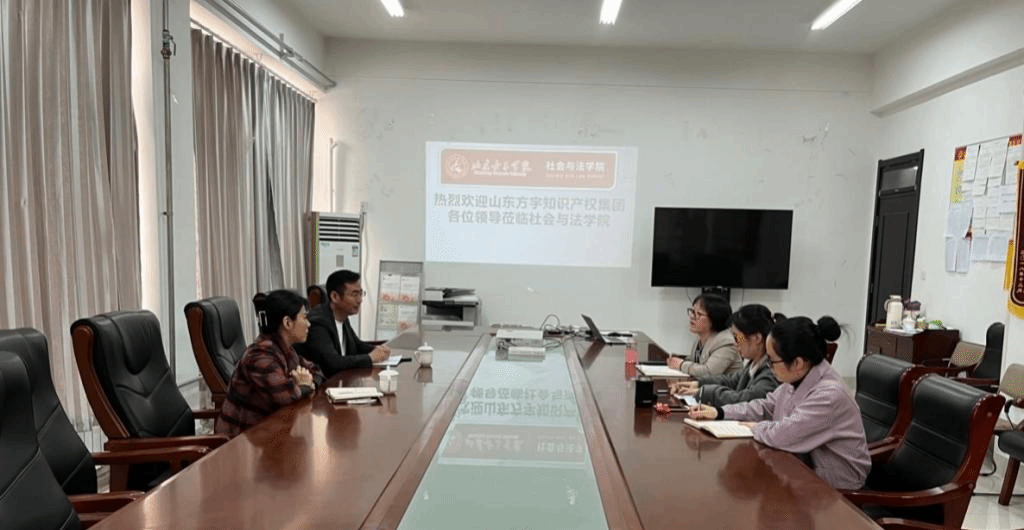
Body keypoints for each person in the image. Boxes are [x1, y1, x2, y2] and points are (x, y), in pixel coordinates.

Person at [688, 316, 869, 490]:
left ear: (797, 363)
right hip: (800, 468)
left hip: (833, 489)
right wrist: (720, 412)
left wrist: (756, 427)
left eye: (772, 361)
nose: (769, 366)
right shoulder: (798, 376)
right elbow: (766, 406)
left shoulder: (828, 395)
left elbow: (784, 435)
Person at [215, 290, 325, 437]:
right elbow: (286, 397)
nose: (309, 324)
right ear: (287, 322)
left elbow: (317, 371)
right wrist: (302, 385)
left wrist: (307, 383)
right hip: (240, 440)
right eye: (304, 318)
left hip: (267, 432)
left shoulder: (286, 349)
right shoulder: (261, 354)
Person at [669, 304, 781, 406]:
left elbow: (743, 400)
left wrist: (704, 392)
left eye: (737, 337)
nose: (735, 342)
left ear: (757, 338)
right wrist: (697, 384)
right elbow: (730, 380)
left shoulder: (771, 372)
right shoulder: (754, 363)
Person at [296, 269, 391, 377]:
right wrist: (370, 358)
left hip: (344, 379)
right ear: (335, 297)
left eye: (360, 293)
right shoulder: (317, 323)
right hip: (326, 383)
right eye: (354, 294)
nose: (359, 300)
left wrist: (379, 350)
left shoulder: (341, 316)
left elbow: (357, 345)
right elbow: (333, 362)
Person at [666, 294, 741, 377]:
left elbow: (709, 372)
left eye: (699, 314)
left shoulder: (726, 342)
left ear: (714, 318)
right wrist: (680, 359)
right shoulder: (700, 338)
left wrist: (681, 364)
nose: (692, 317)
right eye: (692, 312)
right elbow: (697, 362)